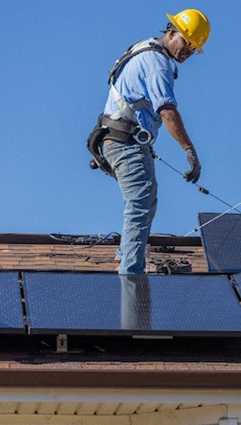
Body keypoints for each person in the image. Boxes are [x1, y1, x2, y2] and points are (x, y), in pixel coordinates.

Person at [87, 9, 210, 274]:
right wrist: (189, 150)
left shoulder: (144, 50)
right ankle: (131, 273)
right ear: (172, 31)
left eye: (193, 48)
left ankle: (127, 256)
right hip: (125, 142)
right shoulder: (158, 63)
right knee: (140, 204)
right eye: (187, 42)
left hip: (117, 139)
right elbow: (167, 111)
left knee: (146, 199)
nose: (188, 51)